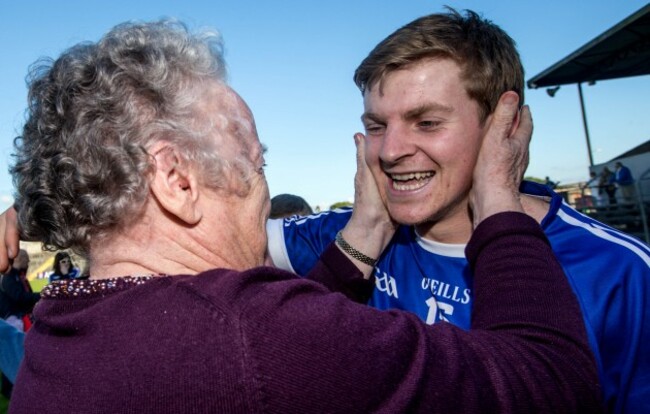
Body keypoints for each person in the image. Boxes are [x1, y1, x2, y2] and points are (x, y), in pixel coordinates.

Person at [1, 20, 603, 413]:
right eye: (254, 159)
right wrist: (499, 201)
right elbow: (551, 381)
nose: (265, 187)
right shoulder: (247, 340)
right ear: (177, 181)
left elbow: (276, 350)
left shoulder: (69, 318)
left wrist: (363, 236)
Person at [264, 9, 650, 413]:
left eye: (426, 122)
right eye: (377, 127)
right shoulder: (346, 235)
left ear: (505, 124)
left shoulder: (616, 271)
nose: (391, 151)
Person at [0, 249, 38, 399]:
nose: (28, 262)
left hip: (21, 318)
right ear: (18, 258)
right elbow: (18, 297)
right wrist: (40, 295)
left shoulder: (19, 276)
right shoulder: (9, 277)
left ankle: (16, 384)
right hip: (12, 319)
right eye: (26, 259)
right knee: (12, 353)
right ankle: (9, 388)